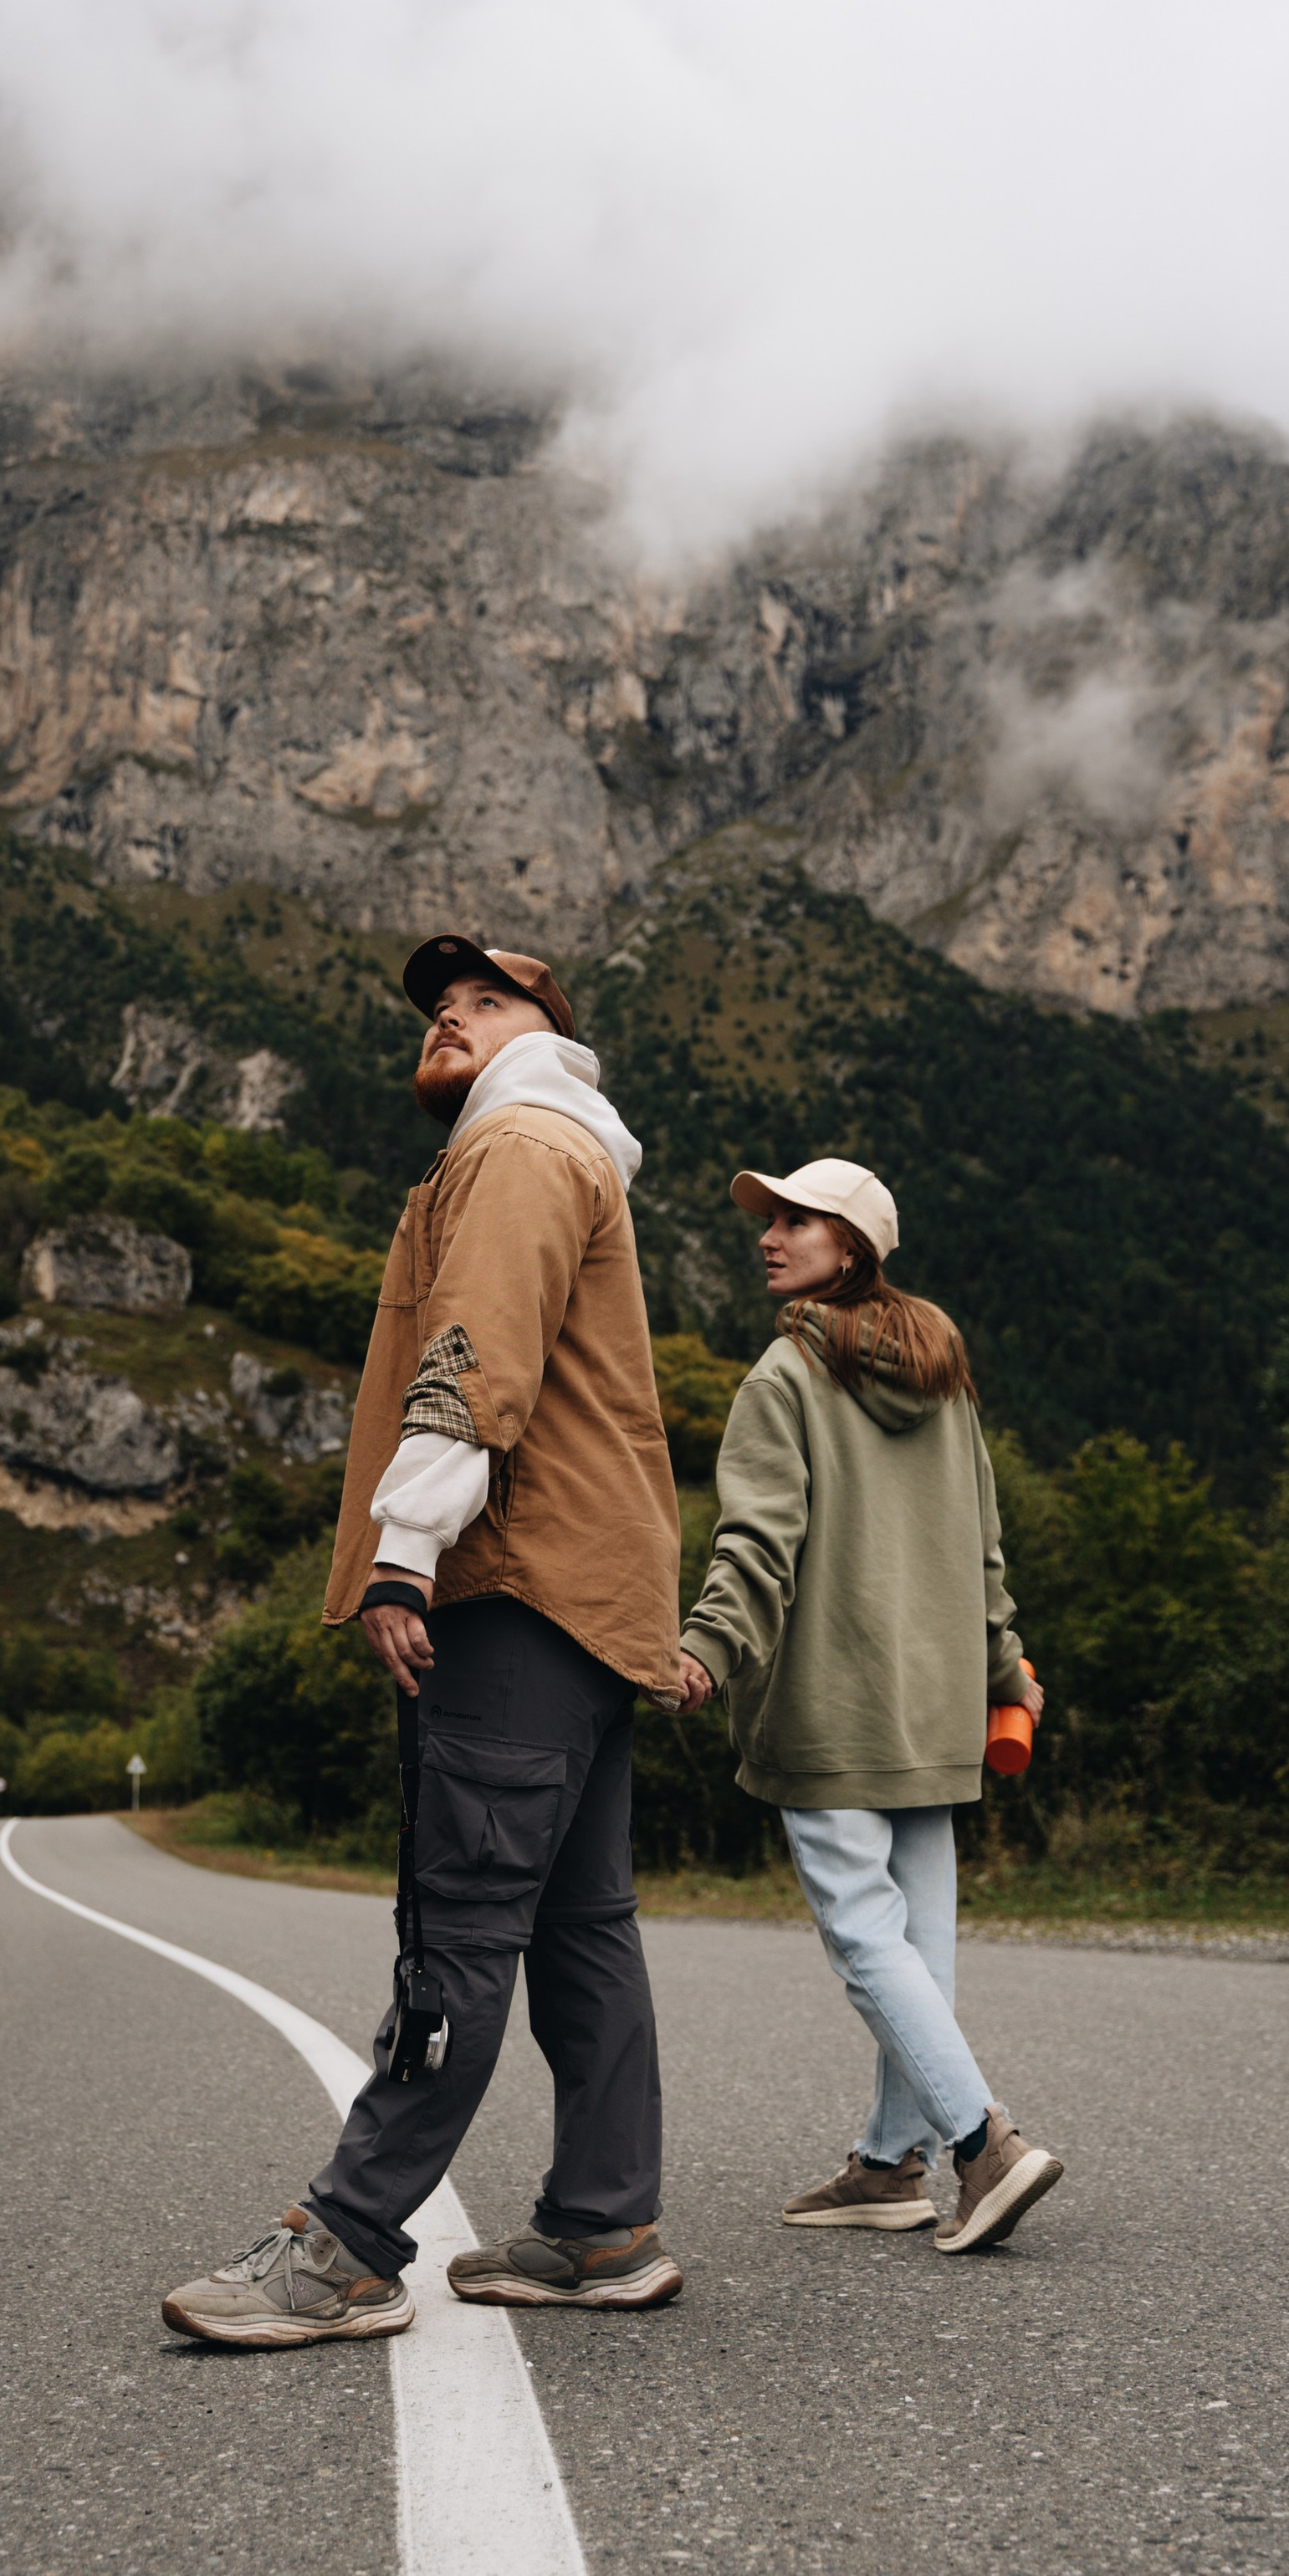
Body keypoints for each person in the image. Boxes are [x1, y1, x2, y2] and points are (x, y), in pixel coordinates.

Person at [162, 936, 687, 2347]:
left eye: (485, 998)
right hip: (589, 1591)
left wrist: (410, 1549)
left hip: (510, 1584)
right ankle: (602, 2226)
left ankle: (347, 2245)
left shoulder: (519, 1139)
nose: (450, 1015)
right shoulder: (560, 1147)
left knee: (459, 1922)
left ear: (545, 1031)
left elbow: (477, 1351)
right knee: (583, 1924)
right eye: (438, 1007)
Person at [674, 1158, 1064, 2255]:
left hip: (834, 1704)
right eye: (770, 1218)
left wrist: (704, 1650)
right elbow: (986, 1553)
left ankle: (982, 2145)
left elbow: (755, 1544)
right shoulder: (946, 1379)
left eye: (799, 1220)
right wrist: (1003, 1668)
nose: (772, 1234)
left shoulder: (781, 1380)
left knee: (865, 1935)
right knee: (918, 1946)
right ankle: (891, 2167)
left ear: (854, 1248)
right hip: (935, 1705)